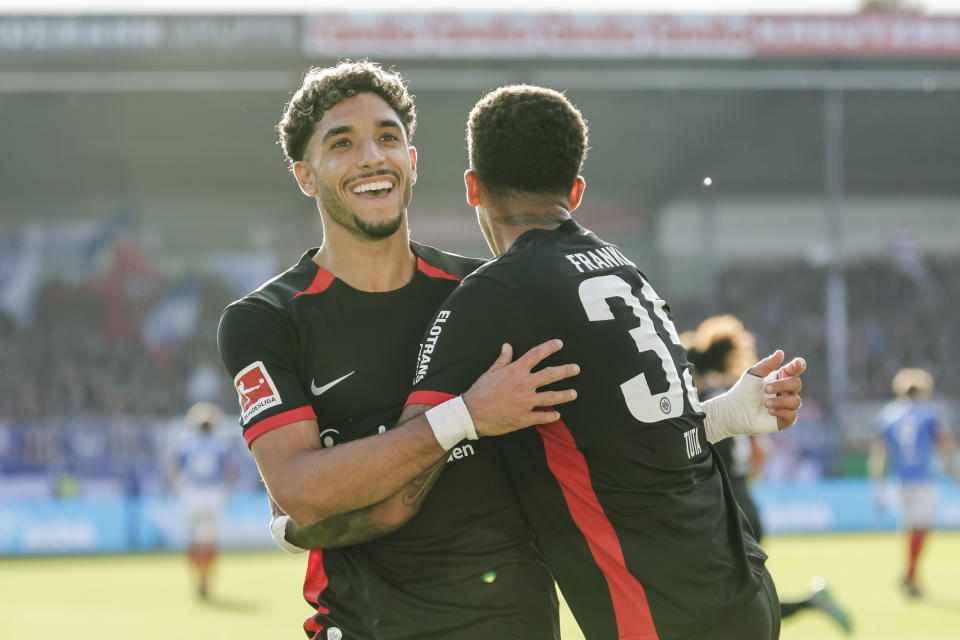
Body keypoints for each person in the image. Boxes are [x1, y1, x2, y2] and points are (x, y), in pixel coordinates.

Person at [220, 61, 806, 639]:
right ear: (305, 173)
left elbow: (618, 434)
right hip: (365, 625)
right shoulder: (266, 320)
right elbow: (299, 488)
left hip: (517, 623)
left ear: (413, 160)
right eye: (342, 143)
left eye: (388, 137)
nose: (372, 156)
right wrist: (468, 418)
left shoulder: (494, 291)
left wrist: (724, 414)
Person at [404, 84, 806, 640]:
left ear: (473, 188)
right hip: (740, 585)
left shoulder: (492, 295)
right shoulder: (622, 269)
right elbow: (641, 435)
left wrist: (318, 510)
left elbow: (407, 456)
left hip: (659, 614)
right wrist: (728, 414)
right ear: (575, 189)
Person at [683, 314, 852, 634]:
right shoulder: (730, 399)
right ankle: (812, 602)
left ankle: (811, 603)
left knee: (727, 604)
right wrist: (741, 481)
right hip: (743, 503)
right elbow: (761, 453)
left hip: (718, 511)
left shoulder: (700, 405)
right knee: (737, 601)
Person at [869, 366, 959, 598]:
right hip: (922, 479)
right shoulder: (929, 413)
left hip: (900, 481)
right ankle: (910, 575)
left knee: (911, 530)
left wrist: (878, 488)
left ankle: (911, 575)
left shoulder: (889, 414)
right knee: (922, 528)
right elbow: (944, 444)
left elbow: (879, 453)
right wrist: (955, 472)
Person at [168, 401, 234, 599]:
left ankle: (197, 579)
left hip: (192, 495)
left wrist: (179, 487)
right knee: (210, 542)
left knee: (193, 541)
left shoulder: (186, 445)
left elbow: (172, 469)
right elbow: (231, 471)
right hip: (214, 494)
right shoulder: (221, 445)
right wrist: (226, 490)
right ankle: (207, 579)